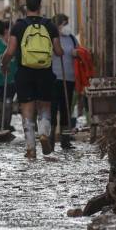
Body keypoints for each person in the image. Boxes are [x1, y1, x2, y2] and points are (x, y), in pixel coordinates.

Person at [0, 0, 63, 158]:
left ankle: (31, 148)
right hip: (45, 71)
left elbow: (10, 51)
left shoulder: (19, 26)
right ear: (40, 6)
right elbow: (58, 51)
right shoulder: (49, 25)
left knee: (27, 110)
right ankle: (43, 132)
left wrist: (3, 64)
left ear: (26, 7)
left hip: (24, 72)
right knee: (45, 107)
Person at [51, 13, 77, 150]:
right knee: (53, 108)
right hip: (54, 79)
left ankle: (65, 140)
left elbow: (78, 51)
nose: (67, 26)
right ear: (58, 25)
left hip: (69, 79)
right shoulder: (51, 38)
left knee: (66, 109)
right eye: (65, 23)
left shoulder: (72, 38)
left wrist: (77, 54)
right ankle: (50, 140)